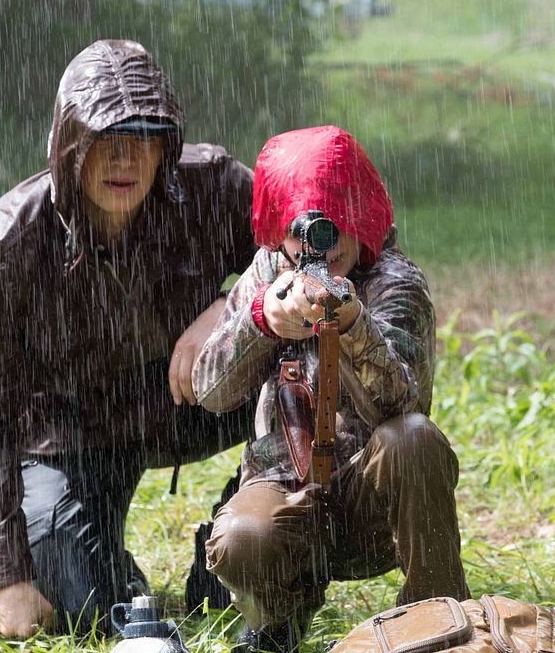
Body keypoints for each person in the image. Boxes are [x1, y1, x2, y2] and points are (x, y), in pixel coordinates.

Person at [0, 39, 256, 639]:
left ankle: (245, 541)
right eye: (104, 138)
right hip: (74, 434)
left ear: (167, 145)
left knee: (310, 330)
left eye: (143, 138)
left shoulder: (212, 188)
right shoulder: (5, 248)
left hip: (196, 402)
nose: (125, 159)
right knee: (88, 602)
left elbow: (317, 248)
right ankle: (114, 577)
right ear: (70, 147)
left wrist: (233, 301)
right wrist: (5, 577)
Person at [192, 125, 470, 653]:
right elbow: (209, 390)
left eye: (338, 224)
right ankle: (279, 619)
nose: (325, 244)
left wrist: (351, 324)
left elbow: (402, 404)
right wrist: (262, 322)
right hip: (287, 491)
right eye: (306, 229)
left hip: (372, 504)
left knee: (413, 438)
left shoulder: (394, 281)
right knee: (243, 539)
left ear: (361, 215)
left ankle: (441, 623)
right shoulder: (269, 273)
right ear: (279, 229)